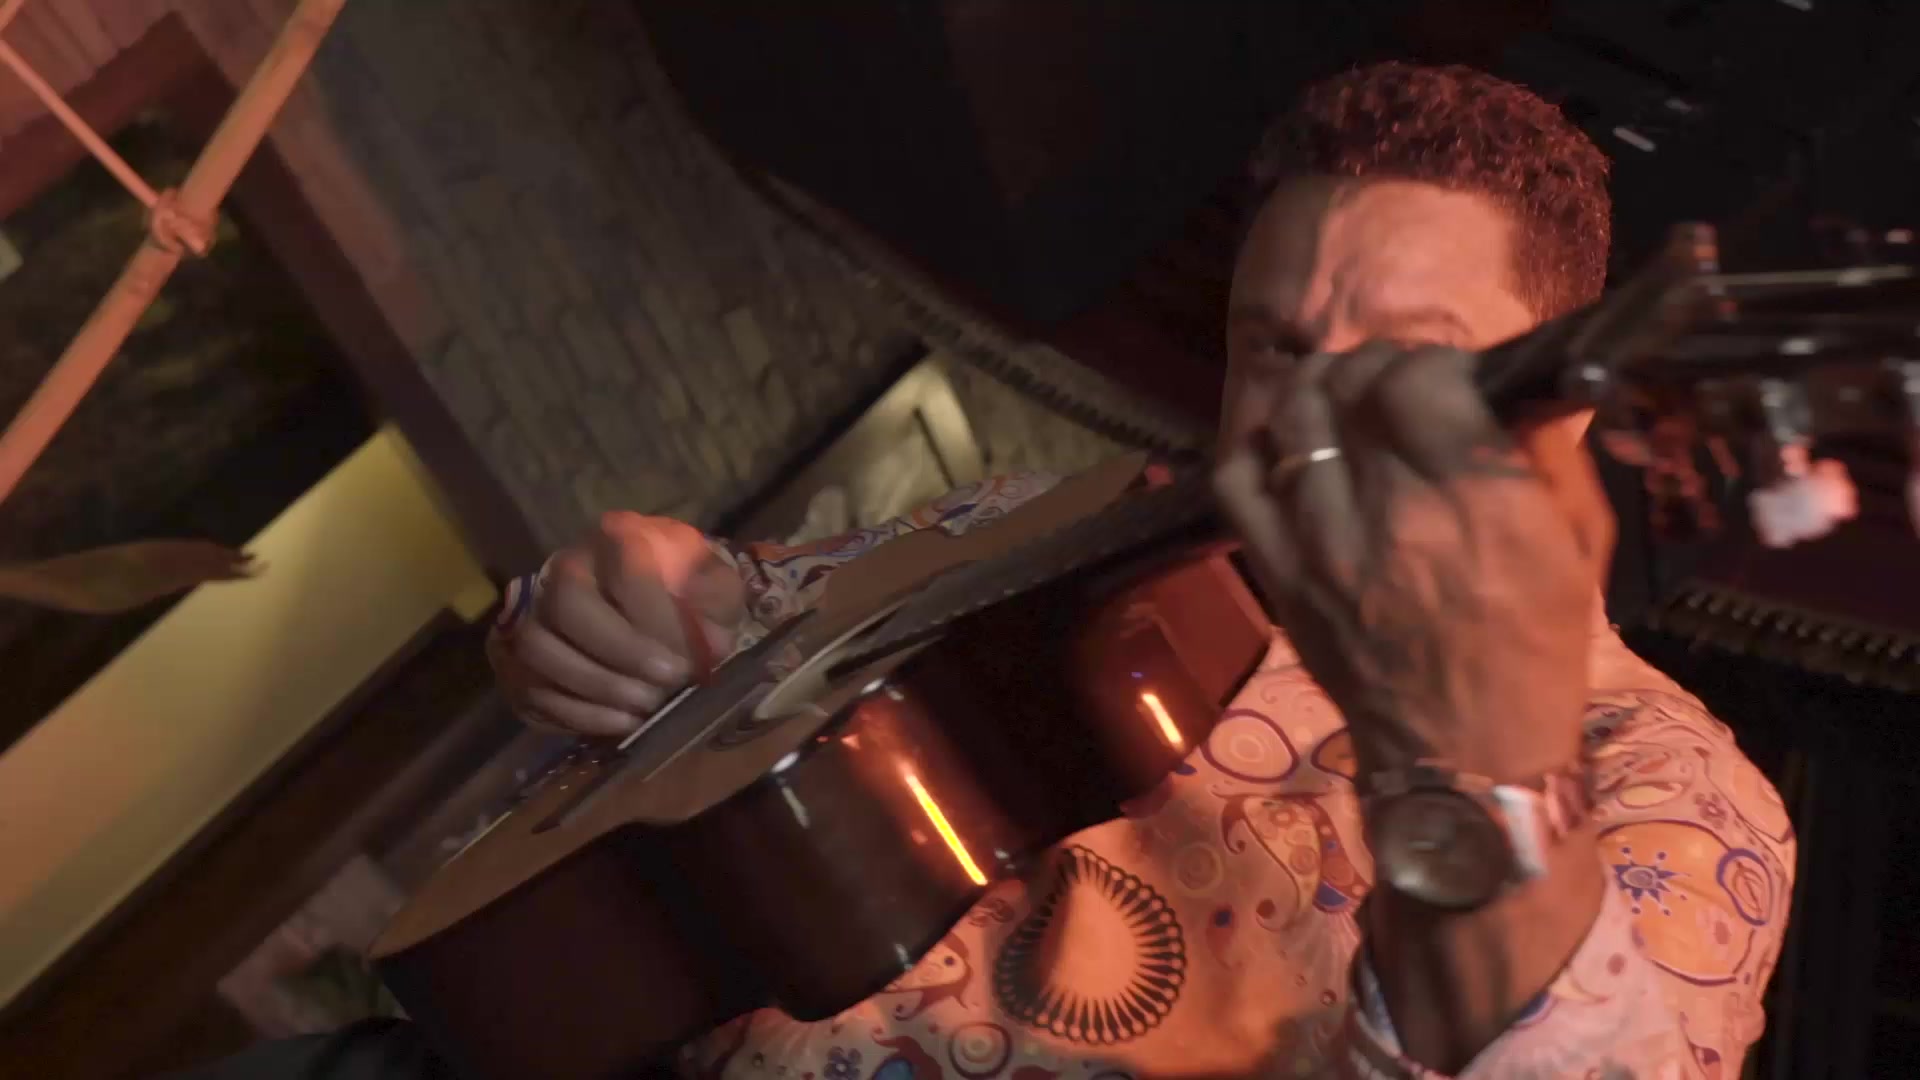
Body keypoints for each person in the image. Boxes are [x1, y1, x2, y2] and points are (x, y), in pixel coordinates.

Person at [172, 62, 1792, 1080]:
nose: (1304, 414)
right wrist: (593, 614)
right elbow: (717, 646)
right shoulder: (1067, 514)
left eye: (1404, 357)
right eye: (1273, 347)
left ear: (1566, 399)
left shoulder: (1672, 788)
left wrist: (1477, 735)